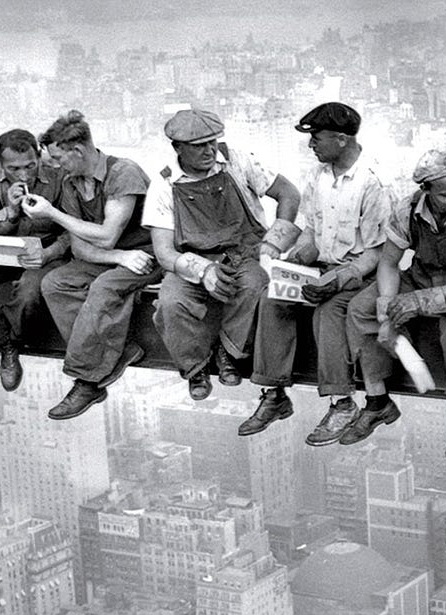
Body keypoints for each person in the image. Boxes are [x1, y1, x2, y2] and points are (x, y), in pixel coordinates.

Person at [238, 102, 395, 447]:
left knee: (330, 311)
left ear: (341, 139)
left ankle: (341, 403)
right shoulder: (318, 177)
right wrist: (294, 262)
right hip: (322, 268)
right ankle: (273, 392)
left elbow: (377, 253)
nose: (312, 146)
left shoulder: (373, 183)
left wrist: (338, 279)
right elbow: (311, 231)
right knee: (274, 298)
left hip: (358, 275)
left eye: (317, 139)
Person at [348, 147, 446, 460]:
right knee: (361, 308)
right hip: (420, 274)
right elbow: (389, 263)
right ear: (426, 191)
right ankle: (377, 399)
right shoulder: (408, 209)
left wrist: (420, 301)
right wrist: (387, 308)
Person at [145, 108, 301, 401]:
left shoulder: (236, 161)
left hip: (245, 253)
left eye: (212, 141)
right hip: (193, 259)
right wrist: (203, 271)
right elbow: (164, 252)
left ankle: (229, 353)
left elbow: (289, 194)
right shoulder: (164, 184)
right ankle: (195, 368)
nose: (209, 150)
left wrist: (272, 245)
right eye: (198, 146)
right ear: (178, 148)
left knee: (255, 286)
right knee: (170, 302)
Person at [27, 111, 157, 420]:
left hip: (147, 255)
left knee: (103, 288)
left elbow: (107, 234)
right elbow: (79, 245)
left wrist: (53, 214)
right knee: (55, 283)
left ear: (79, 150)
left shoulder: (123, 173)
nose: (57, 166)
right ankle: (118, 351)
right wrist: (117, 258)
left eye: (60, 158)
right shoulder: (72, 184)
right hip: (118, 257)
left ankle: (86, 381)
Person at [0, 128, 67, 391]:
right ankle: (4, 344)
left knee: (30, 293)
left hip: (45, 250)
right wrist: (11, 212)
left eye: (30, 165)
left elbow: (72, 227)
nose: (24, 174)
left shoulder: (58, 172)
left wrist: (48, 253)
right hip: (0, 249)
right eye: (14, 168)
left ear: (39, 156)